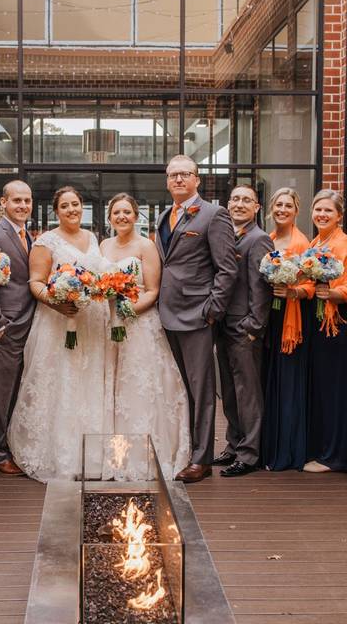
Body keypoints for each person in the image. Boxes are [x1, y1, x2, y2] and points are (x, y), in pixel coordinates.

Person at [8, 187, 112, 481]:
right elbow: (36, 283)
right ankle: (58, 453)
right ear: (56, 211)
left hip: (91, 324)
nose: (71, 210)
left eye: (76, 204)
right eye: (65, 206)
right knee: (63, 383)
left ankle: (91, 453)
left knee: (88, 383)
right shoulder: (46, 242)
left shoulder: (92, 237)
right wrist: (59, 301)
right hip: (58, 322)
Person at [156, 155, 237, 483]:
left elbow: (227, 268)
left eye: (185, 174)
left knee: (202, 391)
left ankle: (201, 459)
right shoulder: (164, 215)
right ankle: (185, 448)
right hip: (166, 315)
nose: (178, 180)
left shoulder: (214, 214)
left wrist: (212, 310)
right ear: (167, 180)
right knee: (180, 389)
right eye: (173, 175)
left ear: (197, 179)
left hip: (197, 316)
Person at [101, 192, 191, 480]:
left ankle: (145, 452)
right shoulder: (103, 245)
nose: (122, 217)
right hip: (108, 322)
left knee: (139, 385)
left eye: (127, 212)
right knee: (111, 385)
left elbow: (153, 290)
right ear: (110, 217)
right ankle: (113, 454)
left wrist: (130, 310)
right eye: (117, 213)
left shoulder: (146, 246)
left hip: (138, 322)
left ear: (136, 216)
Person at [0, 180, 37, 476]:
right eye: (17, 201)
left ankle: (8, 445)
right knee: (0, 392)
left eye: (27, 200)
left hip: (31, 323)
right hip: (7, 326)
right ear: (3, 202)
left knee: (18, 391)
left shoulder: (30, 236)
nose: (23, 206)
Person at [212, 185, 273, 477]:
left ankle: (248, 455)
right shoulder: (226, 235)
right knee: (229, 391)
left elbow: (261, 288)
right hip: (223, 324)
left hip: (244, 327)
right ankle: (233, 444)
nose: (239, 204)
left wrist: (253, 327)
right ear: (227, 204)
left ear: (257, 207)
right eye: (235, 199)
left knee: (247, 392)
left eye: (246, 200)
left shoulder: (259, 240)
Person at [303, 190, 347, 473]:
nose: (322, 215)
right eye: (318, 210)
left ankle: (335, 456)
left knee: (336, 389)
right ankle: (323, 448)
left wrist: (332, 292)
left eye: (328, 211)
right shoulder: (317, 241)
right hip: (320, 322)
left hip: (337, 324)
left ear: (339, 216)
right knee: (323, 388)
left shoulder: (343, 245)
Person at [261, 187, 313, 471]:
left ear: (296, 211)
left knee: (289, 383)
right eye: (278, 205)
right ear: (271, 208)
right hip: (272, 317)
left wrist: (293, 292)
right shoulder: (269, 239)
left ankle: (288, 452)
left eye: (288, 206)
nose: (282, 210)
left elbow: (311, 285)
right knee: (273, 381)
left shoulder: (301, 243)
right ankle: (271, 448)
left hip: (292, 319)